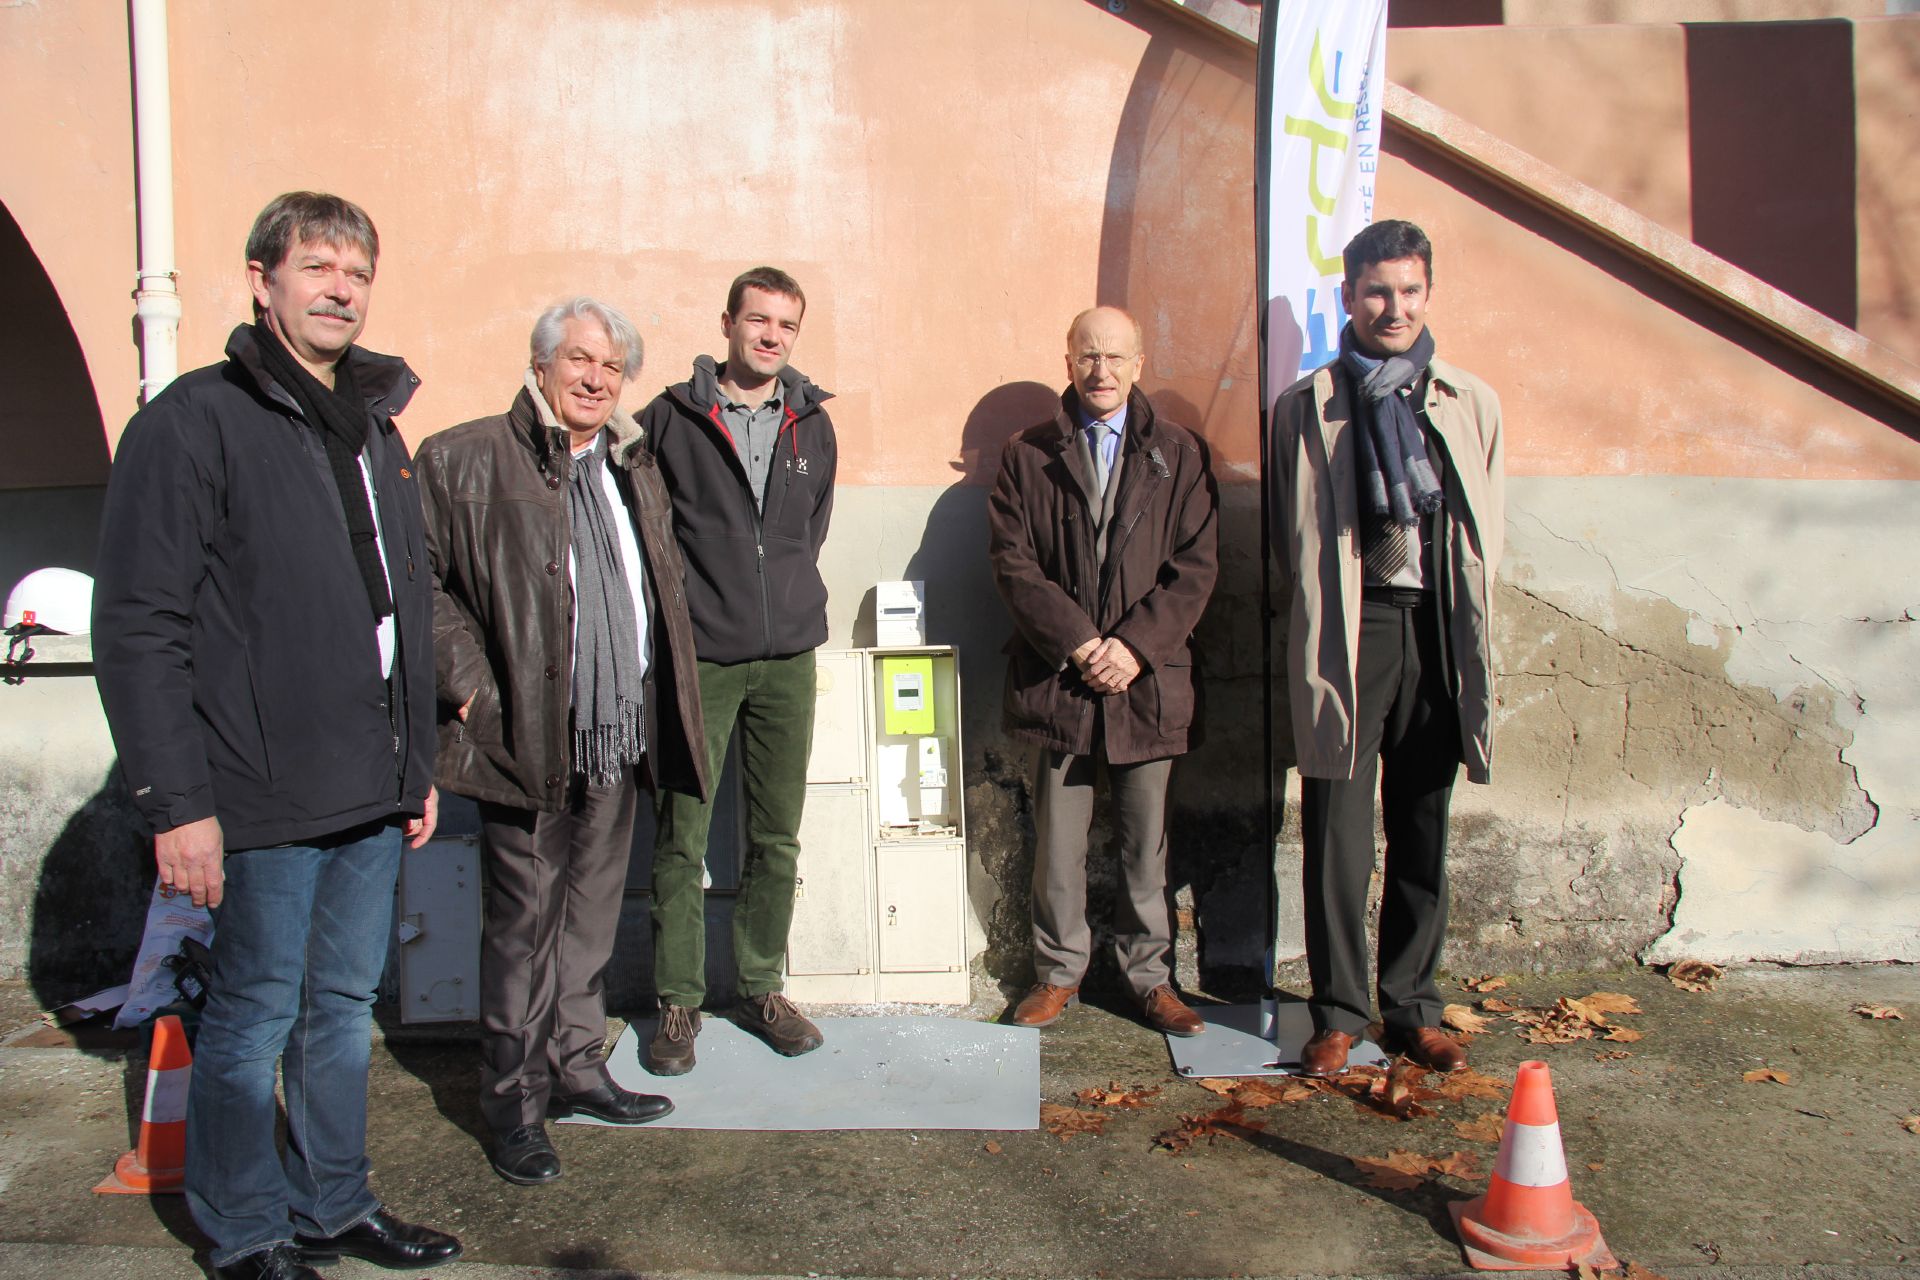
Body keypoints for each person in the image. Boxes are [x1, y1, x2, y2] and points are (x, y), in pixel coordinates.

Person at [92, 192, 460, 1278]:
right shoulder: (193, 420)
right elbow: (141, 621)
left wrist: (415, 764)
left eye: (358, 270)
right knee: (252, 1017)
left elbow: (401, 602)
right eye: (318, 266)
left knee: (343, 1010)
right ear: (263, 280)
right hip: (250, 792)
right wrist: (178, 801)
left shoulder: (376, 428)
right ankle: (245, 1226)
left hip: (366, 786)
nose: (341, 287)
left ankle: (334, 1203)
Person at [416, 298, 711, 1184]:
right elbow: (419, 585)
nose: (595, 379)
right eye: (579, 360)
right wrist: (470, 695)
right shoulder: (464, 456)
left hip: (613, 731)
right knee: (521, 930)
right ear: (541, 365)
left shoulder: (630, 463)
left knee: (588, 914)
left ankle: (579, 1067)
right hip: (522, 738)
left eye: (612, 367)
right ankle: (511, 1101)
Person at [1268, 219, 1505, 1077]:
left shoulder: (1468, 402)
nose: (1393, 307)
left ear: (1428, 294)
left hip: (1435, 626)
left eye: (1408, 291)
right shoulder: (1305, 407)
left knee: (1422, 822)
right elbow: (1286, 540)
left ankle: (1414, 1006)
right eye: (1376, 291)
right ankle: (1338, 1011)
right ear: (1347, 298)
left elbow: (1487, 531)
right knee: (1335, 826)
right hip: (1350, 629)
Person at [987, 306, 1220, 1037]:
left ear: (1140, 363)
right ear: (1068, 360)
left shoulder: (1181, 454)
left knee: (1146, 840)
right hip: (1063, 679)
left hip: (1147, 682)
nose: (1102, 371)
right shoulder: (1027, 454)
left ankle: (1150, 979)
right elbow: (1014, 564)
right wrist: (1082, 643)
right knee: (1058, 841)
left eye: (1116, 357)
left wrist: (1135, 647)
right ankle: (1058, 974)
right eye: (1089, 356)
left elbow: (1196, 566)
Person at [637, 267, 837, 1074]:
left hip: (787, 657)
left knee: (774, 834)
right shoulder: (670, 418)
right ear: (727, 323)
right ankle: (678, 1002)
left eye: (785, 326)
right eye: (757, 320)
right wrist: (691, 619)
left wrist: (780, 605)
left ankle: (760, 985)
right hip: (701, 658)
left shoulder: (811, 422)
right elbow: (651, 532)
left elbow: (810, 529)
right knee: (682, 836)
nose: (770, 336)